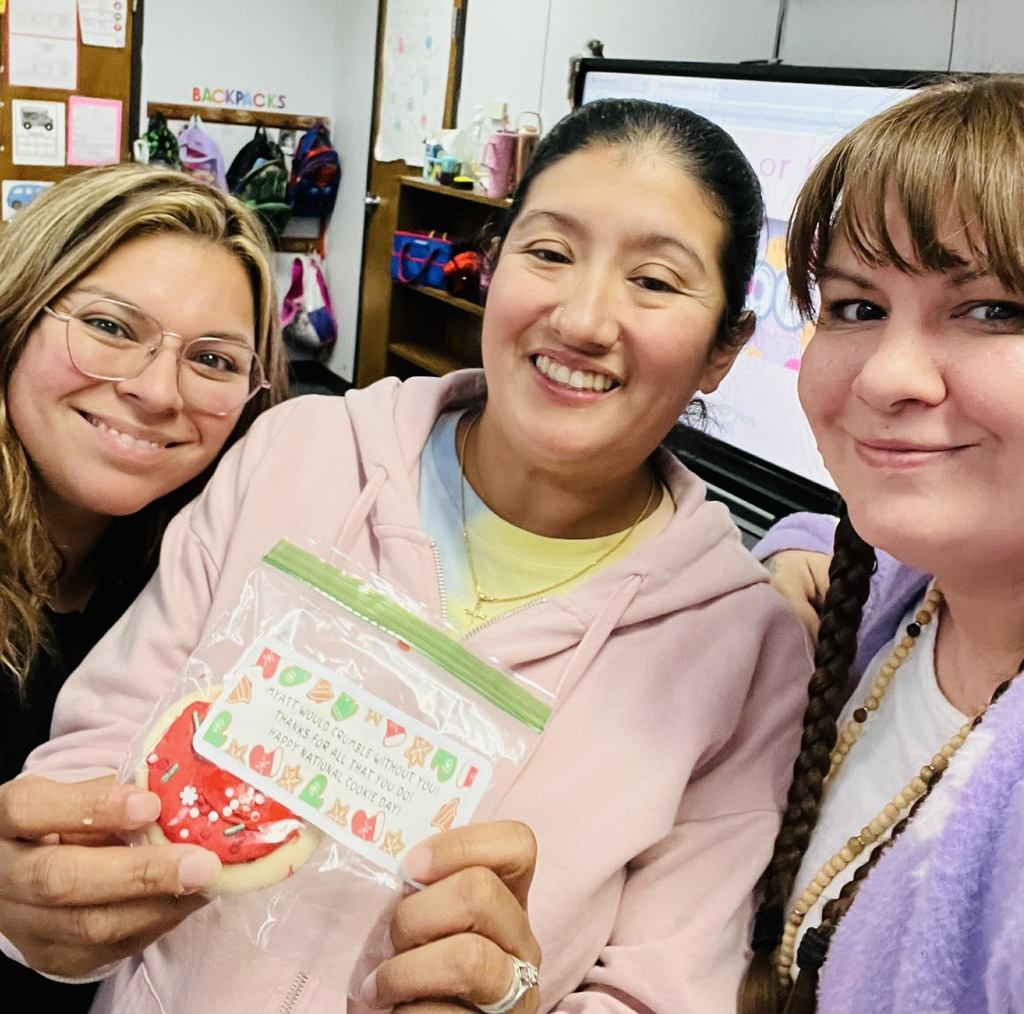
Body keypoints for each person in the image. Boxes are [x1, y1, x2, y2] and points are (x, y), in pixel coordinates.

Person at [13, 98, 810, 1012]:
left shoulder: (742, 649)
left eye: (656, 281)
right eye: (550, 253)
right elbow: (105, 742)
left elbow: (667, 985)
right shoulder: (302, 451)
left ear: (725, 349)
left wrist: (509, 1001)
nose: (584, 319)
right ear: (492, 268)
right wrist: (54, 892)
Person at [739, 75, 1024, 1014]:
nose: (886, 378)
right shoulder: (909, 593)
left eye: (993, 309)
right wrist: (789, 548)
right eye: (857, 308)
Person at [0, 162, 288, 1011]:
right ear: (17, 310)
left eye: (212, 359)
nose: (157, 391)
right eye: (108, 326)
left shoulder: (201, 578)